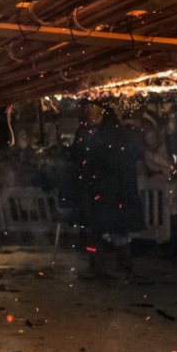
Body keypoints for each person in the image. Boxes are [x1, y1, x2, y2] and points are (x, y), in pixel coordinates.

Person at [71, 102, 144, 277]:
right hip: (90, 187)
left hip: (113, 186)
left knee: (118, 226)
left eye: (93, 106)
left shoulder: (114, 130)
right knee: (92, 227)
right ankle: (96, 265)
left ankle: (124, 264)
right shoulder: (82, 130)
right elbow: (76, 156)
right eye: (87, 106)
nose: (89, 110)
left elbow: (121, 157)